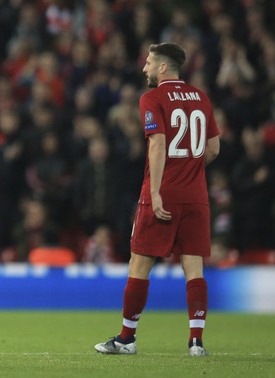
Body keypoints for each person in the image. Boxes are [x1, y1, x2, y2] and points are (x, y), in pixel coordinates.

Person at [94, 42, 220, 357]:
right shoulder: (201, 98)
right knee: (195, 268)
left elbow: (158, 144)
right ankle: (196, 343)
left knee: (139, 263)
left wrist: (156, 191)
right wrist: (189, 170)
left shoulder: (151, 98)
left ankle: (126, 339)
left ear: (163, 67)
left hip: (162, 194)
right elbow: (214, 149)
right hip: (196, 197)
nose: (144, 68)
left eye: (149, 63)